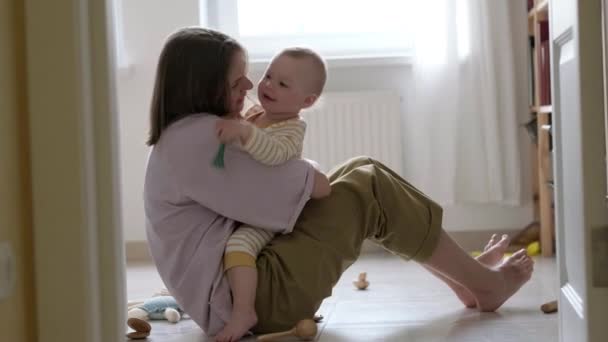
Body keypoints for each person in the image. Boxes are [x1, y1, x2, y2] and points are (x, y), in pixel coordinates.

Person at [144, 27, 534, 342]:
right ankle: (484, 285)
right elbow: (311, 187)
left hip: (245, 285)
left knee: (361, 169)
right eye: (236, 80)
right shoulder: (199, 137)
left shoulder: (184, 135)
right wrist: (309, 169)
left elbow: (276, 185)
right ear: (202, 85)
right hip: (257, 298)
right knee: (370, 184)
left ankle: (463, 280)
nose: (249, 84)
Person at [211, 47, 329, 341]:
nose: (267, 85)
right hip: (250, 204)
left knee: (238, 245)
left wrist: (244, 132)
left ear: (307, 101)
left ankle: (243, 312)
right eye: (268, 76)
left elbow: (274, 154)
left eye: (283, 84)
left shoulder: (292, 128)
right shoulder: (256, 114)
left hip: (269, 213)